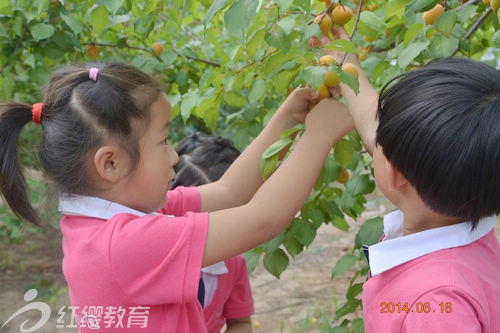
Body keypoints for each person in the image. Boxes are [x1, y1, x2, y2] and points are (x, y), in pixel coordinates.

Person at [0, 62, 353, 332]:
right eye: (163, 141)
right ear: (110, 163)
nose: (174, 157)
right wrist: (318, 137)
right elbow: (263, 219)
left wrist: (286, 119)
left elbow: (230, 192)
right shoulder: (123, 245)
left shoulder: (117, 218)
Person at [323, 29, 500, 332]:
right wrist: (344, 65)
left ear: (396, 175)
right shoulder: (471, 226)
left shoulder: (438, 306)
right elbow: (375, 126)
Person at [173, 132, 253, 333]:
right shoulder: (151, 263)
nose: (206, 232)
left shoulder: (233, 264)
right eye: (195, 220)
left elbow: (240, 322)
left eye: (220, 221)